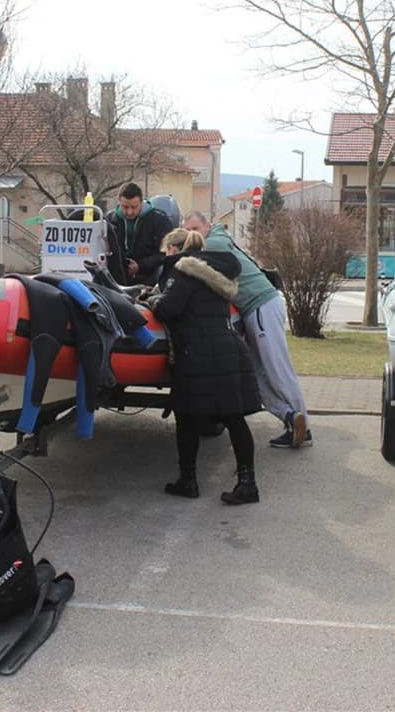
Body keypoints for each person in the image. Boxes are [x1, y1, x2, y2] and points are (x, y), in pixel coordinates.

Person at [150, 228, 262, 504]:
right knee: (233, 418)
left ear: (175, 250)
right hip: (227, 347)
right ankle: (247, 483)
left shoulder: (183, 271)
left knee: (187, 418)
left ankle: (188, 480)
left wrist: (152, 300)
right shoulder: (217, 272)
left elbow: (168, 309)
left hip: (197, 352)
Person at [183, 211, 312, 449]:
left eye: (195, 229)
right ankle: (290, 417)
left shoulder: (214, 242)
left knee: (277, 370)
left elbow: (194, 260)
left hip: (261, 306)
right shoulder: (216, 242)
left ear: (207, 226)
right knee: (256, 374)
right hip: (256, 309)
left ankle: (304, 428)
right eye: (187, 231)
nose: (192, 235)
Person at [106, 182, 171, 286]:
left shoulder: (159, 220)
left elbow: (167, 253)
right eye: (125, 207)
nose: (130, 212)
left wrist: (140, 266)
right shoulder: (110, 220)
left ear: (142, 202)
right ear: (119, 202)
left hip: (150, 279)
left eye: (134, 207)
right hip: (117, 280)